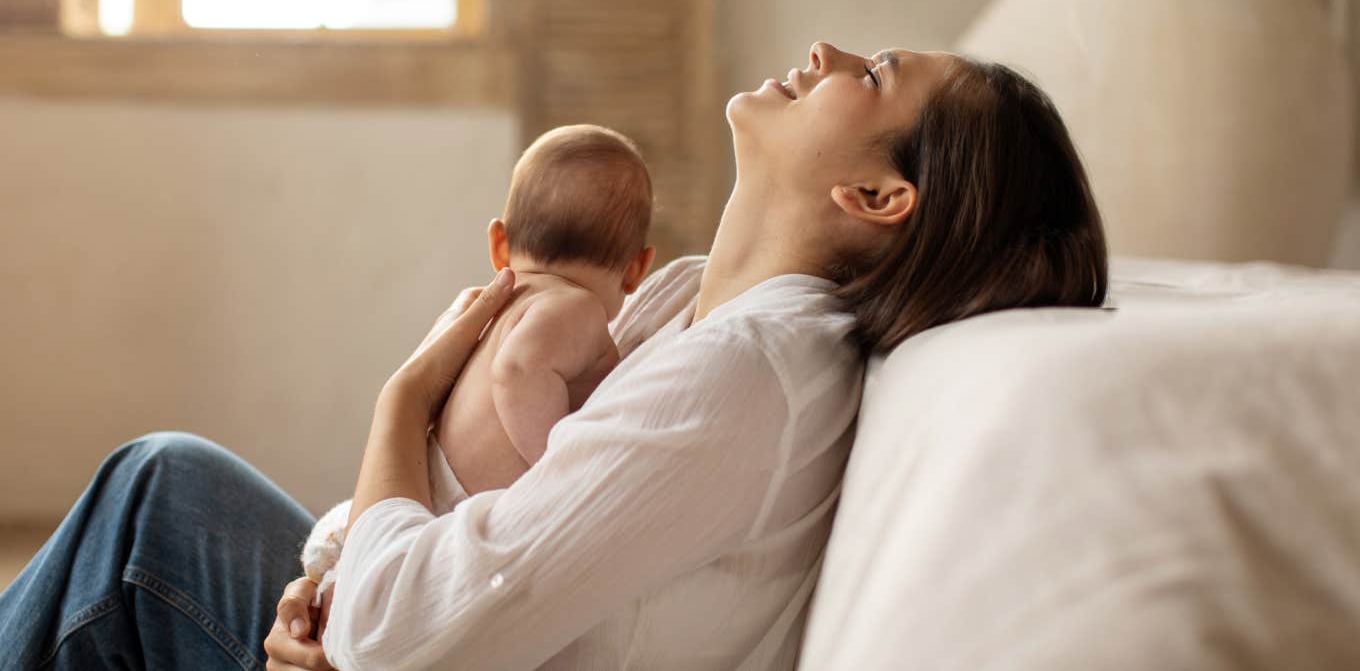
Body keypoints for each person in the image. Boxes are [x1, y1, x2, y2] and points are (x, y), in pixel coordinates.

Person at [0, 42, 1108, 670]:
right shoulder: (683, 305)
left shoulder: (746, 378)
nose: (823, 52)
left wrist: (401, 399)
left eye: (865, 76)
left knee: (154, 501)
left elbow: (396, 635)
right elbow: (453, 545)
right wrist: (322, 573)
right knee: (161, 494)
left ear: (874, 196)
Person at [300, 123, 656, 603]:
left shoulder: (487, 312)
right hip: (438, 522)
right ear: (637, 267)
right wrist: (561, 468)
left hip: (396, 509)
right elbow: (518, 372)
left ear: (499, 245)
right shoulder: (575, 307)